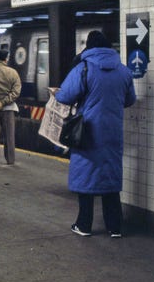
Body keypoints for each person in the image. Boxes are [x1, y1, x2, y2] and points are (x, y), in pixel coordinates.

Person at [55, 30, 136, 238]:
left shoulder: (84, 67)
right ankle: (115, 227)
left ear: (89, 47)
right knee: (110, 175)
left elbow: (65, 96)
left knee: (86, 175)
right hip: (113, 131)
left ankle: (84, 225)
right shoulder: (124, 71)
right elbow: (129, 100)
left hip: (87, 131)